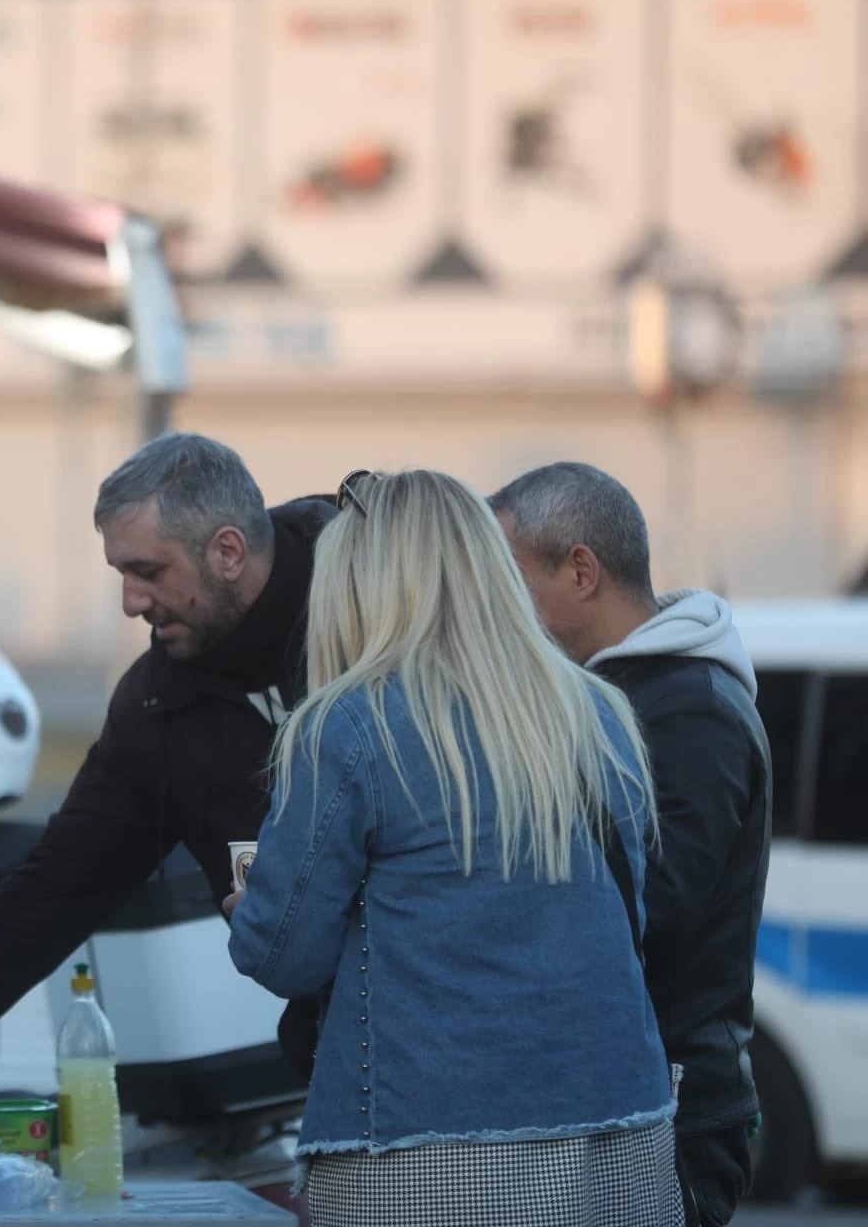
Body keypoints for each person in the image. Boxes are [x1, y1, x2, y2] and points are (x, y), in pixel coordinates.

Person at [226, 468, 682, 1226]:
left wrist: (254, 912)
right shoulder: (600, 714)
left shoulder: (347, 727)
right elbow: (628, 915)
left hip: (418, 1147)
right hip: (620, 1135)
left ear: (361, 587)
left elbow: (286, 955)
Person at [0, 432, 335, 1067]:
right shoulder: (159, 705)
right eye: (122, 574)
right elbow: (52, 892)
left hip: (468, 1045)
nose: (130, 602)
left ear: (227, 551)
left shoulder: (386, 630)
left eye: (148, 572)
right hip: (338, 1053)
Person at [491, 462, 771, 1227]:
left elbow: (652, 908)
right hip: (629, 1092)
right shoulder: (623, 697)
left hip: (673, 1107)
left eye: (512, 583)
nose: (501, 613)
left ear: (581, 569)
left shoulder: (688, 711)